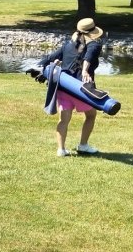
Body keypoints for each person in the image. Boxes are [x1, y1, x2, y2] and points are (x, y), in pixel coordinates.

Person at [38, 17, 105, 157]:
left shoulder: (68, 45)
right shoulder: (94, 44)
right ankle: (83, 145)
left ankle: (61, 150)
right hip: (81, 89)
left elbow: (49, 58)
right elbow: (88, 57)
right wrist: (85, 70)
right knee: (91, 115)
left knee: (64, 120)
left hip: (64, 87)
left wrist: (39, 68)